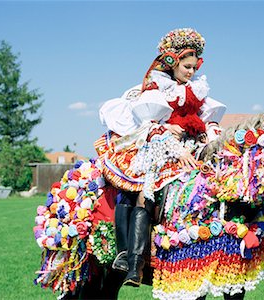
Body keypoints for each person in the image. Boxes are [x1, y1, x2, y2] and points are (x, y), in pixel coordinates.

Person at [95, 28, 226, 287]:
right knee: (144, 192)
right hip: (157, 145)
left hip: (189, 148)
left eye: (194, 67)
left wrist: (206, 136)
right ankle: (132, 262)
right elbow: (148, 124)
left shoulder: (197, 90)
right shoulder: (155, 86)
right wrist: (170, 136)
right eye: (186, 66)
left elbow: (205, 120)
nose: (190, 72)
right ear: (173, 62)